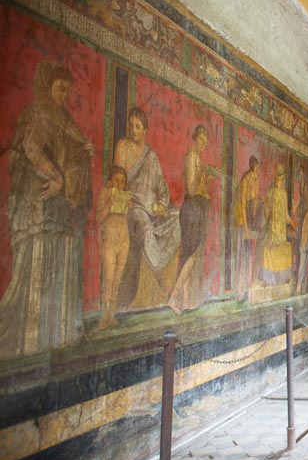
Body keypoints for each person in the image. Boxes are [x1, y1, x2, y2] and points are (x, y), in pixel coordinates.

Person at [0, 62, 93, 357]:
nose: (64, 94)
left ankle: (61, 332)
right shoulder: (40, 113)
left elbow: (71, 152)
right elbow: (31, 147)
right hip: (40, 193)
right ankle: (32, 339)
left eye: (67, 89)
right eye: (59, 88)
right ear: (48, 87)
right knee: (39, 255)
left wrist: (84, 151)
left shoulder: (64, 117)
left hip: (59, 199)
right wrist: (56, 177)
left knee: (63, 252)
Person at [114, 106, 180, 309]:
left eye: (138, 126)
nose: (133, 130)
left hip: (151, 209)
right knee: (147, 231)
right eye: (131, 125)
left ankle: (164, 291)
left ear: (146, 131)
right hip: (131, 207)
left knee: (177, 217)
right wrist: (126, 200)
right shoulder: (123, 146)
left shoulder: (151, 156)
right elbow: (117, 180)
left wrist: (161, 204)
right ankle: (169, 291)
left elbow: (161, 185)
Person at [168, 124, 221, 313]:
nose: (203, 144)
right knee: (190, 256)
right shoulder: (192, 157)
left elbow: (201, 188)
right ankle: (174, 297)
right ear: (195, 138)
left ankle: (187, 300)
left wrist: (207, 175)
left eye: (206, 142)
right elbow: (191, 189)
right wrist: (203, 172)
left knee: (193, 255)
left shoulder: (197, 159)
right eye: (201, 140)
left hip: (198, 209)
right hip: (192, 209)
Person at [96, 166, 131, 329]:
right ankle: (104, 316)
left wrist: (128, 207)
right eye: (117, 181)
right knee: (108, 279)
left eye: (123, 182)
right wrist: (109, 204)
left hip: (123, 240)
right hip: (110, 241)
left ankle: (112, 315)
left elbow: (126, 218)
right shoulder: (106, 193)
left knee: (117, 280)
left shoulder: (124, 196)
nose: (120, 184)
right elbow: (98, 217)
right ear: (111, 181)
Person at [258, 163, 295, 286]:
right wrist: (264, 203)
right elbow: (272, 214)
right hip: (275, 230)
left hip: (277, 230)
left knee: (279, 249)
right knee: (272, 249)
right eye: (281, 174)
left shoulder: (279, 192)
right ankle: (273, 279)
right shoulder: (276, 192)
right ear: (281, 176)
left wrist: (293, 223)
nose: (281, 177)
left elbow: (280, 215)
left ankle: (276, 279)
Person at [232, 156, 261, 300]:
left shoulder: (255, 181)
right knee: (241, 256)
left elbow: (255, 202)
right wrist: (246, 228)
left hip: (251, 220)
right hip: (242, 221)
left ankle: (246, 289)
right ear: (252, 168)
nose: (257, 173)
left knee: (248, 255)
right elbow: (243, 206)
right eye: (256, 170)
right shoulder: (245, 181)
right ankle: (239, 292)